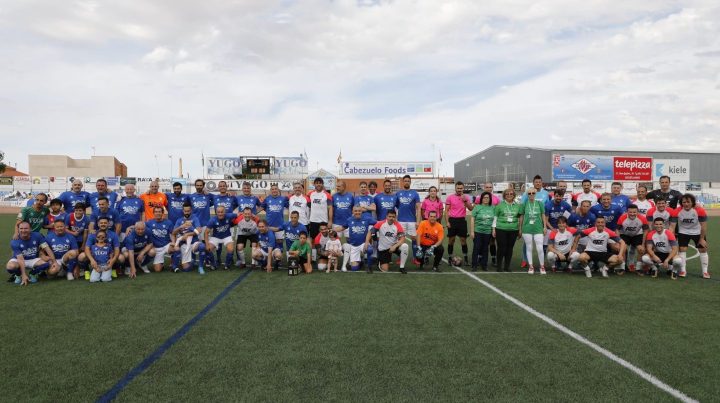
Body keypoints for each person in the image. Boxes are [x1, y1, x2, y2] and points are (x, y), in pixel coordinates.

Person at [675, 193, 710, 279]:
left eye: (688, 202)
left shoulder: (699, 210)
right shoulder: (677, 210)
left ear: (693, 202)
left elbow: (704, 226)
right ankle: (683, 270)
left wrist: (702, 239)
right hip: (683, 232)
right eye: (684, 202)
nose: (686, 204)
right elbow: (672, 225)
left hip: (697, 232)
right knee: (682, 249)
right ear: (681, 203)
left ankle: (705, 271)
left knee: (702, 249)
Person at [519, 186, 548, 274]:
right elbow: (521, 216)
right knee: (529, 247)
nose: (531, 195)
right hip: (526, 228)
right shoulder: (524, 204)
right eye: (529, 193)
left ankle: (542, 266)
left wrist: (545, 226)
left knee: (539, 248)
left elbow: (543, 215)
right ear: (527, 195)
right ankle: (531, 266)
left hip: (538, 228)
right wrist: (520, 228)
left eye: (533, 193)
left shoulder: (540, 203)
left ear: (536, 194)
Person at [444, 182, 473, 266]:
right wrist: (447, 222)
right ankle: (450, 258)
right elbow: (446, 211)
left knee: (463, 240)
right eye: (458, 188)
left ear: (463, 188)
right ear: (455, 188)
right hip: (452, 220)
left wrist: (465, 201)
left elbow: (470, 208)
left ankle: (466, 259)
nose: (459, 190)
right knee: (451, 240)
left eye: (461, 188)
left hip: (462, 221)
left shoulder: (466, 197)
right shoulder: (450, 197)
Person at [493, 188, 521, 272]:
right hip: (501, 229)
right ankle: (499, 266)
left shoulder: (517, 206)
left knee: (510, 248)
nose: (509, 195)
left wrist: (519, 230)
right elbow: (495, 218)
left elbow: (519, 219)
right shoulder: (499, 205)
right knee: (501, 247)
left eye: (511, 194)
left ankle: (507, 266)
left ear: (514, 196)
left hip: (513, 230)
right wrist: (493, 229)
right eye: (507, 194)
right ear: (504, 196)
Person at [172, 203, 206, 274]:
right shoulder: (179, 220)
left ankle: (200, 267)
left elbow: (199, 231)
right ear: (183, 211)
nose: (187, 212)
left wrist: (188, 233)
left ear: (191, 210)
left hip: (194, 243)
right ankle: (192, 261)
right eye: (185, 211)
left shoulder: (195, 218)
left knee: (202, 246)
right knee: (186, 269)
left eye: (188, 211)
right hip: (184, 245)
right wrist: (181, 226)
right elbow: (174, 232)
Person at [396, 175, 421, 264]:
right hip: (401, 220)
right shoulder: (398, 193)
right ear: (403, 182)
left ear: (410, 182)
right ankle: (400, 257)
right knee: (400, 239)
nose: (406, 182)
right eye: (405, 181)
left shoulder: (415, 193)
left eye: (408, 181)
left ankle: (415, 258)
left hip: (412, 220)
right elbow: (396, 207)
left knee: (414, 238)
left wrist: (418, 221)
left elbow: (418, 208)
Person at [616, 205, 649, 274]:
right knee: (623, 248)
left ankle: (638, 268)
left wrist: (643, 244)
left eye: (634, 212)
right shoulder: (622, 217)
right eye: (630, 212)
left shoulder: (642, 218)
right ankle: (622, 267)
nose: (632, 214)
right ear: (627, 212)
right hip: (625, 235)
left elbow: (646, 230)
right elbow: (617, 230)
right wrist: (618, 241)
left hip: (637, 235)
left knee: (641, 249)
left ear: (637, 212)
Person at [341, 206, 375, 273]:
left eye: (359, 211)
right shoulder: (349, 220)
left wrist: (372, 231)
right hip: (353, 246)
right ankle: (360, 261)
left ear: (361, 211)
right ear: (352, 211)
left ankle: (369, 266)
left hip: (363, 244)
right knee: (354, 268)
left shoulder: (367, 219)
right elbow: (342, 228)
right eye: (355, 211)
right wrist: (332, 229)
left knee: (370, 249)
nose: (357, 212)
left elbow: (377, 224)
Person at [205, 205, 238, 270]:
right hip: (216, 237)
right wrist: (207, 244)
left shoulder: (229, 216)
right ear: (216, 213)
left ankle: (227, 265)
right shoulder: (212, 220)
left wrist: (235, 222)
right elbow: (206, 232)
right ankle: (213, 264)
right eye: (218, 212)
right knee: (208, 249)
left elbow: (239, 214)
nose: (220, 214)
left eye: (222, 212)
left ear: (225, 212)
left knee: (230, 249)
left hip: (227, 236)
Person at [146, 206, 176, 272]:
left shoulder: (168, 222)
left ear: (162, 213)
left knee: (175, 248)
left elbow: (172, 234)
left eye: (159, 212)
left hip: (166, 245)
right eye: (156, 212)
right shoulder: (149, 223)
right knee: (157, 270)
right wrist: (130, 228)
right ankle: (161, 264)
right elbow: (140, 227)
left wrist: (173, 243)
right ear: (153, 213)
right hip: (156, 248)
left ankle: (174, 264)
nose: (158, 213)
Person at [469, 191, 494, 271]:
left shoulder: (493, 208)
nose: (486, 199)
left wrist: (493, 230)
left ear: (490, 199)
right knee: (476, 248)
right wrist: (472, 231)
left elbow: (495, 220)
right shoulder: (477, 207)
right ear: (481, 199)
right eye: (484, 198)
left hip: (488, 232)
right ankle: (474, 265)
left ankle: (484, 265)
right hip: (478, 231)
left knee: (485, 248)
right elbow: (472, 219)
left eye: (487, 198)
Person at [262, 184, 289, 250]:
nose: (274, 190)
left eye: (275, 189)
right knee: (269, 243)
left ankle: (279, 259)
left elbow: (289, 206)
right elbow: (262, 207)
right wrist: (252, 213)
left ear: (278, 190)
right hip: (269, 226)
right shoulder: (267, 199)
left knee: (279, 243)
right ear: (270, 190)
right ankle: (269, 258)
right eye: (272, 189)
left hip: (280, 225)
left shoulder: (283, 199)